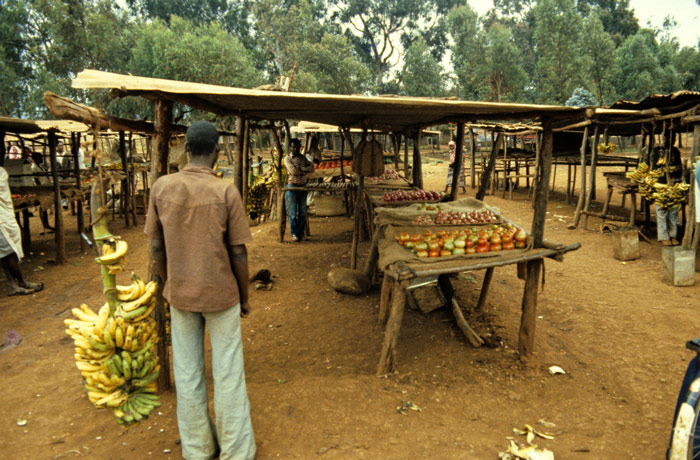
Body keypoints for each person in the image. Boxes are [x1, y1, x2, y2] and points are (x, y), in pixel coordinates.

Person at [145, 121, 256, 460]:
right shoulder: (226, 191)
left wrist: (170, 285)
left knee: (188, 372)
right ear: (217, 151)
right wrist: (245, 296)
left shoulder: (162, 187)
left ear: (186, 150)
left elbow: (156, 249)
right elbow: (237, 252)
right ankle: (236, 451)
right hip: (221, 295)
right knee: (228, 372)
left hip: (180, 295)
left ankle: (197, 449)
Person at [0, 166, 43, 296]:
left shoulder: (1, 172)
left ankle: (15, 283)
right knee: (9, 253)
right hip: (2, 220)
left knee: (7, 254)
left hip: (6, 216)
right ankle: (18, 283)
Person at [651, 145, 683, 246]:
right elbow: (653, 168)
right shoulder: (657, 151)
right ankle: (663, 236)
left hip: (674, 185)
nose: (669, 139)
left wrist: (674, 171)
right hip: (661, 185)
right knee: (662, 212)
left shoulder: (675, 151)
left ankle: (673, 235)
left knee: (673, 212)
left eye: (673, 137)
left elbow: (680, 167)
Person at [284, 138, 314, 241]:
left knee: (302, 212)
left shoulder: (303, 158)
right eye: (292, 147)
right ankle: (294, 233)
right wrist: (303, 169)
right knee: (293, 212)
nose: (294, 149)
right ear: (290, 148)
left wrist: (300, 168)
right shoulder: (287, 159)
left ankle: (300, 233)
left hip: (303, 186)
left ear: (299, 147)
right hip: (292, 186)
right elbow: (293, 171)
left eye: (296, 147)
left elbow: (311, 169)